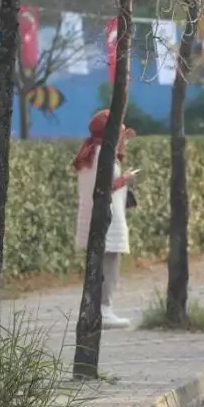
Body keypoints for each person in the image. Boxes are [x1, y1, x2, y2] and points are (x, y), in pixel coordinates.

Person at [72, 109, 138, 329]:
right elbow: (105, 186)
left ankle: (95, 309)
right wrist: (126, 179)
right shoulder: (103, 154)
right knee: (108, 266)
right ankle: (104, 310)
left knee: (97, 265)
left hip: (92, 217)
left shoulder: (90, 152)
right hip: (107, 221)